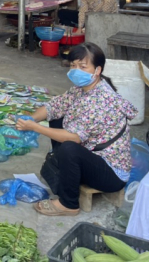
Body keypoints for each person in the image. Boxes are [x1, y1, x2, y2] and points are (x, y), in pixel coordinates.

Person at [15, 43, 137, 216]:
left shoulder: (100, 99)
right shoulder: (81, 89)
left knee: (69, 147)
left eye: (82, 66)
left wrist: (35, 128)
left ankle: (68, 204)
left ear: (97, 70)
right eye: (73, 65)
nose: (75, 70)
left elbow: (73, 138)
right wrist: (30, 119)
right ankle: (63, 165)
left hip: (111, 174)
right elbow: (54, 106)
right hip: (93, 154)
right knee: (57, 117)